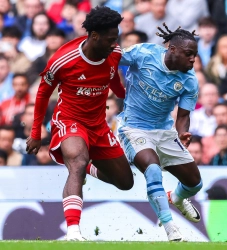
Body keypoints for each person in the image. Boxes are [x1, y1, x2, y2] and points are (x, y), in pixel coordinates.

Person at [26, 6, 134, 241]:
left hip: (99, 125)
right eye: (110, 39)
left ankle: (86, 166)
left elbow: (115, 80)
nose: (114, 44)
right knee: (76, 162)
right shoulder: (63, 60)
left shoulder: (113, 53)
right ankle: (73, 232)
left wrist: (128, 95)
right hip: (69, 121)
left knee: (125, 182)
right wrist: (36, 133)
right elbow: (43, 94)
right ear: (94, 36)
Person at [118, 23, 202, 241]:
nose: (193, 60)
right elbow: (111, 59)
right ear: (172, 49)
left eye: (195, 55)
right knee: (153, 170)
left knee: (195, 183)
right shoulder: (142, 53)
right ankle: (170, 228)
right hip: (133, 128)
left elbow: (183, 116)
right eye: (189, 54)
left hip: (164, 132)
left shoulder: (190, 81)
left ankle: (176, 197)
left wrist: (183, 134)